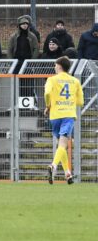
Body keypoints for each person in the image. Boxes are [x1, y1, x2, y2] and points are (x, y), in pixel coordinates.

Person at [44, 56, 83, 184]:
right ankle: (53, 166)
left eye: (55, 65)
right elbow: (80, 102)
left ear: (59, 66)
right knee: (63, 144)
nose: (54, 67)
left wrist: (48, 106)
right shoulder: (75, 81)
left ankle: (67, 173)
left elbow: (47, 94)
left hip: (55, 115)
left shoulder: (51, 79)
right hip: (68, 115)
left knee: (61, 145)